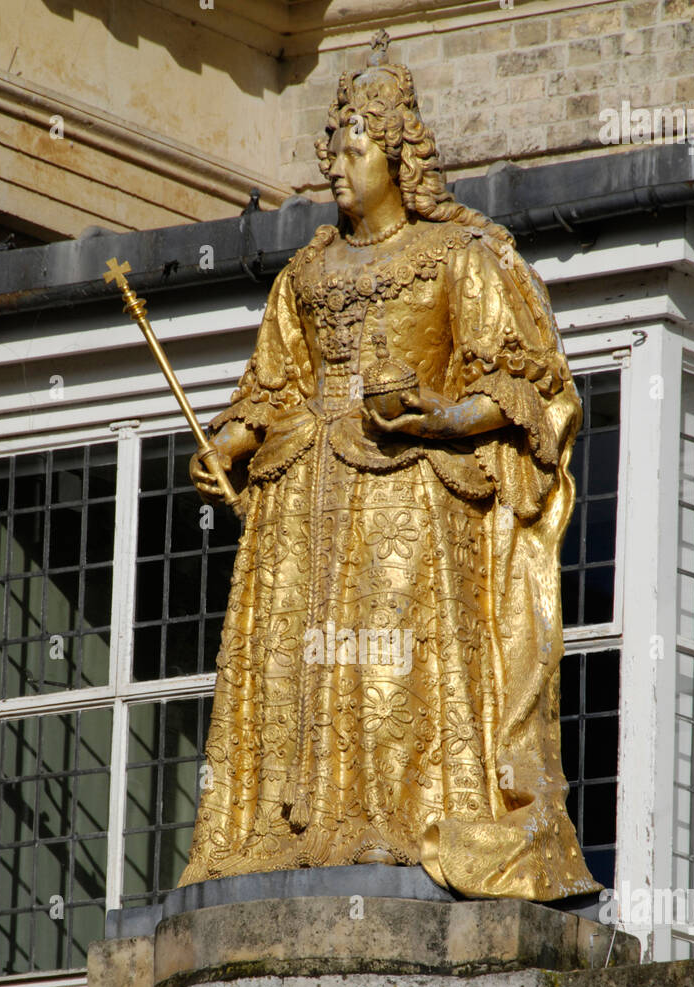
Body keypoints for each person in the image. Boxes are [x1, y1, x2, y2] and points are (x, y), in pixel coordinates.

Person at [179, 36, 599, 901]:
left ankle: (398, 820)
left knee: (391, 663)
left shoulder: (457, 260)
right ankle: (277, 833)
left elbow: (519, 384)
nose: (336, 164)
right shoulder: (304, 272)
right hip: (301, 490)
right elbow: (269, 386)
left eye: (355, 146)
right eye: (330, 147)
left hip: (408, 486)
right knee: (299, 659)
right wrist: (227, 444)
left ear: (399, 155)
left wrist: (439, 417)